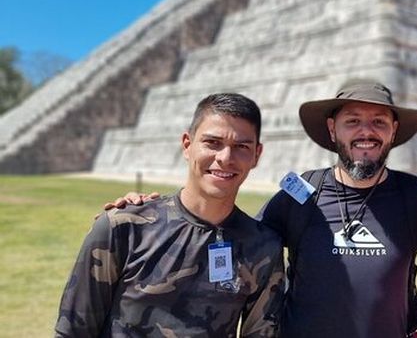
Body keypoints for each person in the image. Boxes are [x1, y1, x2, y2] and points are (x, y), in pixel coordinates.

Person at [56, 93, 284, 337]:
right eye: (212, 142)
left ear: (257, 155)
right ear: (187, 145)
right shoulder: (124, 228)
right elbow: (73, 331)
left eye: (241, 147)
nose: (225, 158)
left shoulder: (262, 247)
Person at [257, 79, 417, 337]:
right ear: (333, 129)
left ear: (393, 130)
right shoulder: (303, 192)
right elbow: (247, 245)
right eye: (353, 121)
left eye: (379, 122)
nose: (366, 132)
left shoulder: (412, 196)